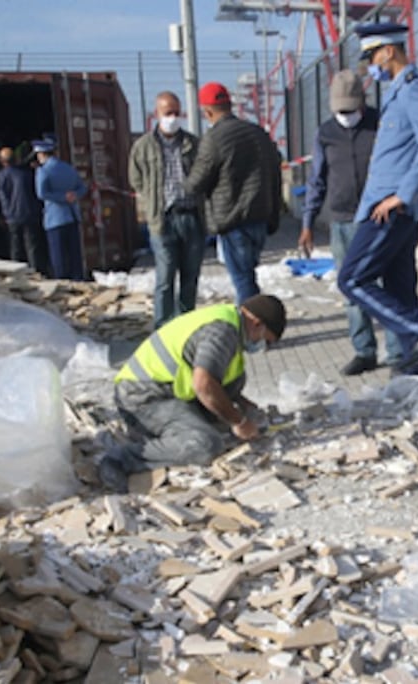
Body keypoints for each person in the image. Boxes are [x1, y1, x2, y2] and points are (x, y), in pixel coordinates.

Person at [337, 22, 418, 379]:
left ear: (389, 50)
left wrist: (401, 195)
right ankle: (416, 380)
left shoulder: (414, 89)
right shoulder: (397, 92)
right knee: (399, 290)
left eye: (371, 56)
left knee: (352, 280)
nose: (370, 65)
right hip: (389, 206)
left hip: (391, 209)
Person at [101, 294, 287, 491]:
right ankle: (122, 459)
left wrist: (242, 404)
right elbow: (203, 384)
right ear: (257, 323)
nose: (260, 346)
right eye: (264, 340)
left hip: (168, 392)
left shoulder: (230, 321)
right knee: (206, 445)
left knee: (229, 397)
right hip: (143, 397)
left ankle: (170, 434)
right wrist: (238, 421)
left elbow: (217, 380)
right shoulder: (222, 332)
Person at [299, 70, 401, 376]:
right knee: (351, 288)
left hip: (377, 218)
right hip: (342, 221)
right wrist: (307, 222)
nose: (346, 116)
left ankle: (396, 353)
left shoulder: (381, 125)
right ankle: (364, 350)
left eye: (350, 110)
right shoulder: (326, 133)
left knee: (385, 287)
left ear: (362, 103)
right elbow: (317, 180)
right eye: (340, 111)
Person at [183, 82, 283, 305]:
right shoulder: (258, 133)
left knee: (243, 279)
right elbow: (275, 170)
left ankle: (253, 330)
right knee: (248, 275)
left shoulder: (214, 138)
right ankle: (258, 322)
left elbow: (196, 183)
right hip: (260, 217)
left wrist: (185, 182)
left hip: (232, 219)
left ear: (207, 112)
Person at [130, 91, 204, 327]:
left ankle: (186, 322)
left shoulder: (193, 143)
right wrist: (153, 199)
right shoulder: (144, 146)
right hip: (162, 219)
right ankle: (162, 325)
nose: (172, 118)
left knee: (190, 275)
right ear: (156, 114)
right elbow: (136, 179)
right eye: (167, 113)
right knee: (165, 276)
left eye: (175, 112)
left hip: (191, 217)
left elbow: (204, 174)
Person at [33, 138, 88, 281]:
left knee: (59, 256)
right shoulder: (68, 168)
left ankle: (62, 283)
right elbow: (83, 187)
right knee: (75, 254)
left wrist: (62, 197)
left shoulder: (43, 171)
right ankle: (78, 281)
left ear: (42, 154)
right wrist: (73, 195)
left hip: (55, 219)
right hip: (72, 216)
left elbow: (41, 193)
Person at [0, 147, 48, 274]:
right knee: (32, 247)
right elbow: (36, 194)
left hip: (10, 217)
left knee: (15, 246)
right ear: (15, 159)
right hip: (29, 214)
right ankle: (35, 272)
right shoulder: (26, 175)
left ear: (1, 161)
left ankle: (16, 273)